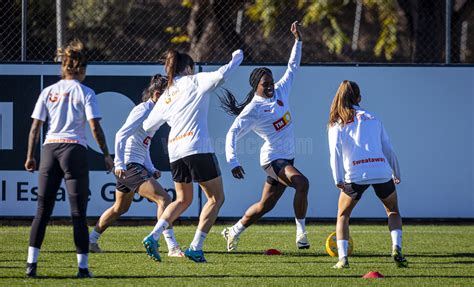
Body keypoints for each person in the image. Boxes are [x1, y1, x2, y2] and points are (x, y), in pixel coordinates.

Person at [142, 47, 244, 263]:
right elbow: (223, 73)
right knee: (216, 198)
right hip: (196, 146)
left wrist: (170, 115)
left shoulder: (167, 94)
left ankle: (154, 235)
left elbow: (148, 124)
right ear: (188, 68)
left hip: (175, 152)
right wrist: (237, 56)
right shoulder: (194, 81)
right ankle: (195, 247)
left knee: (182, 199)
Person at [24, 39, 114, 278]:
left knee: (42, 210)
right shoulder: (86, 92)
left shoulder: (48, 91)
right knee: (78, 213)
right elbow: (95, 127)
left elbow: (35, 127)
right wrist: (106, 154)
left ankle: (31, 266)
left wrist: (30, 156)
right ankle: (82, 268)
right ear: (82, 69)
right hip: (74, 150)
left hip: (49, 149)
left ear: (63, 67)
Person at [219, 21, 310, 252]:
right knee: (302, 183)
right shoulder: (253, 109)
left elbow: (292, 67)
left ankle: (233, 231)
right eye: (265, 84)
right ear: (256, 86)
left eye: (271, 82)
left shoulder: (280, 91)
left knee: (265, 205)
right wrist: (233, 161)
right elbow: (232, 133)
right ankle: (301, 234)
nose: (270, 86)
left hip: (286, 158)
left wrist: (298, 41)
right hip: (272, 159)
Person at [88, 74, 183, 258]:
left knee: (120, 208)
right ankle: (172, 247)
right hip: (129, 166)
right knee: (164, 199)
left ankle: (91, 240)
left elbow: (143, 144)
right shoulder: (143, 110)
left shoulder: (156, 113)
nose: (170, 99)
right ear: (156, 94)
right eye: (168, 95)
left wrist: (151, 167)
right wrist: (119, 164)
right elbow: (120, 135)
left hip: (134, 164)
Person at [327, 80, 408, 269]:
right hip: (381, 171)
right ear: (359, 98)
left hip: (356, 174)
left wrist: (338, 178)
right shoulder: (373, 118)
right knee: (393, 211)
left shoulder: (337, 122)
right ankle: (396, 248)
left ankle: (343, 259)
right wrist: (396, 172)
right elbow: (388, 147)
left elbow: (335, 153)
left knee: (343, 215)